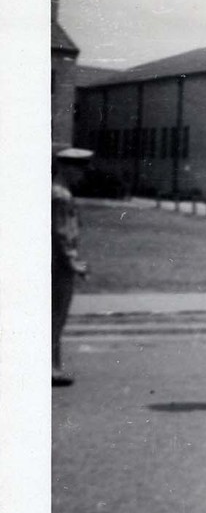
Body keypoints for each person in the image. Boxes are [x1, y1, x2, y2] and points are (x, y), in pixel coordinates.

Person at [52, 145, 94, 387]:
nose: (82, 173)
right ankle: (52, 369)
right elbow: (62, 233)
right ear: (65, 168)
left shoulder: (55, 192)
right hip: (58, 265)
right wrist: (74, 262)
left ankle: (53, 367)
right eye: (78, 168)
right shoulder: (61, 195)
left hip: (52, 262)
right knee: (56, 317)